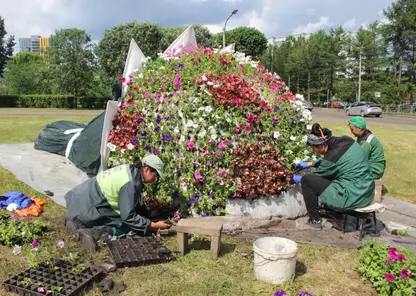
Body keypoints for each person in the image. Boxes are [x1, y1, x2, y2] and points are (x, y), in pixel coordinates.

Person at [65, 154, 171, 250]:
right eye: (155, 175)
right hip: (88, 208)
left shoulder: (130, 170)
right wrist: (151, 225)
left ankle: (74, 220)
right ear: (146, 169)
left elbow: (131, 200)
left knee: (133, 219)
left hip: (77, 200)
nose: (155, 179)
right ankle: (92, 233)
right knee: (130, 225)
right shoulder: (132, 183)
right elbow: (128, 216)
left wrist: (146, 213)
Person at [293, 123, 375, 229]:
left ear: (322, 146)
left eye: (314, 149)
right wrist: (311, 163)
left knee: (308, 180)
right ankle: (332, 212)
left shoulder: (330, 160)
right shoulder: (347, 141)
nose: (314, 151)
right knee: (335, 178)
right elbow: (337, 159)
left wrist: (300, 179)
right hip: (368, 193)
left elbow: (318, 176)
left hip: (353, 197)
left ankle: (315, 220)